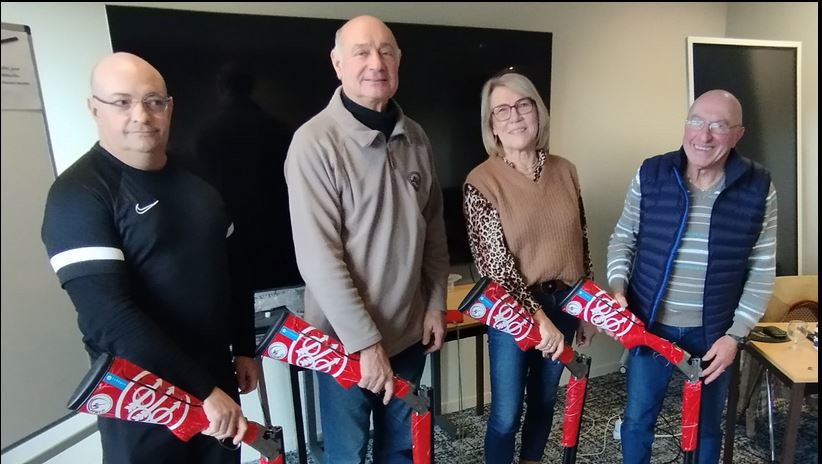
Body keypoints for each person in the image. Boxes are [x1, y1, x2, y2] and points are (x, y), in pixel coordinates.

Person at [41, 52, 259, 464]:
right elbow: (110, 318)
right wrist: (202, 390)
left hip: (216, 383)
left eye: (154, 101)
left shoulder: (199, 178)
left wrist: (245, 347)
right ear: (94, 109)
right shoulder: (78, 195)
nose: (141, 115)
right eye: (122, 102)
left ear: (169, 107)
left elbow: (234, 267)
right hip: (144, 400)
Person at [284, 16, 449, 464]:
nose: (376, 62)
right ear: (338, 64)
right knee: (348, 454)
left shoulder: (415, 136)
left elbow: (433, 227)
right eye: (361, 52)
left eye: (386, 51)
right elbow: (319, 258)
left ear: (399, 61)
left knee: (403, 447)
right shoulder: (313, 143)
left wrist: (434, 303)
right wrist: (365, 344)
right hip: (343, 344)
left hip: (410, 333)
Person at [607, 89, 777, 464]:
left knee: (707, 429)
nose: (704, 136)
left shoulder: (759, 187)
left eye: (719, 126)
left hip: (713, 334)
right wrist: (618, 291)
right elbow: (623, 238)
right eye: (697, 122)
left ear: (738, 134)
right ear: (685, 125)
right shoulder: (652, 173)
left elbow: (762, 269)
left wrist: (736, 335)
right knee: (638, 421)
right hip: (650, 327)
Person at [463, 71, 597, 464]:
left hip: (567, 303)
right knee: (506, 415)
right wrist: (538, 318)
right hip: (512, 313)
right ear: (492, 125)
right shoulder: (481, 181)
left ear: (538, 112)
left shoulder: (565, 170)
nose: (515, 117)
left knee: (543, 403)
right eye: (502, 110)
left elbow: (581, 240)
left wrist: (588, 306)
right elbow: (496, 266)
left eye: (524, 105)